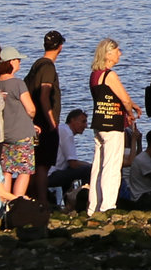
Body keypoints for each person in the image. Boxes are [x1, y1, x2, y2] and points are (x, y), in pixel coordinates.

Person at [85, 38, 138, 215]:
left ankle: (93, 206)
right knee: (112, 166)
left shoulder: (95, 75)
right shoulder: (110, 75)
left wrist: (132, 105)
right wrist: (130, 113)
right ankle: (108, 206)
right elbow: (124, 98)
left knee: (98, 165)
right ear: (108, 54)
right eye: (117, 51)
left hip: (99, 123)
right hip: (113, 124)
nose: (120, 54)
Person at [25, 31, 66, 189]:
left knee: (34, 164)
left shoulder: (37, 65)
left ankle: (32, 197)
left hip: (34, 122)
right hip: (44, 123)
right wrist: (52, 122)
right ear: (60, 47)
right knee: (43, 165)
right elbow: (44, 95)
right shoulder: (48, 67)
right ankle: (42, 200)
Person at [0, 50, 38, 204]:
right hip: (21, 134)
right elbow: (31, 109)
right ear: (11, 62)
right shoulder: (18, 83)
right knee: (24, 169)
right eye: (18, 60)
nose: (20, 62)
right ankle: (18, 201)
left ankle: (4, 201)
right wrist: (30, 120)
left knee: (6, 169)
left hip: (3, 134)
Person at [51, 110, 92, 202]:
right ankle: (83, 202)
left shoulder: (61, 128)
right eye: (83, 121)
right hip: (51, 174)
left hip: (49, 171)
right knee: (88, 170)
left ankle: (66, 202)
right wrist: (90, 165)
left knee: (71, 169)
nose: (86, 126)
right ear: (72, 120)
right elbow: (73, 163)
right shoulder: (67, 133)